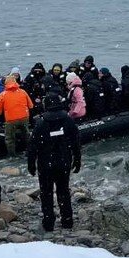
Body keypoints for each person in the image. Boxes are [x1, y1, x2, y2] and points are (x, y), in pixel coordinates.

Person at [27, 93, 82, 231]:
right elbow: (76, 142)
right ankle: (67, 220)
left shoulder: (41, 123)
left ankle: (48, 222)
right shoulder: (68, 120)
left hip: (46, 164)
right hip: (63, 162)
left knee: (46, 193)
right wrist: (77, 159)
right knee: (63, 191)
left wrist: (31, 164)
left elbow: (33, 146)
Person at [0, 75, 34, 156]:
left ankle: (12, 155)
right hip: (24, 117)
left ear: (5, 84)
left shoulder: (2, 95)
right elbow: (31, 106)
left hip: (11, 120)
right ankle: (29, 151)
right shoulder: (23, 92)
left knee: (9, 139)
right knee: (26, 135)